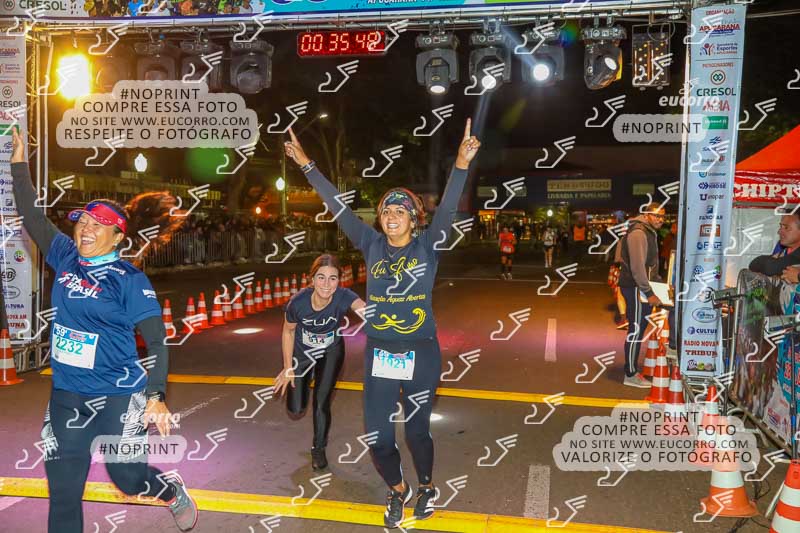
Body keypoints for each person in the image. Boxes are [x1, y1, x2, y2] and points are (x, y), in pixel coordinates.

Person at [284, 119, 480, 528]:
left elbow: (447, 208)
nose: (391, 216)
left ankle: (426, 486)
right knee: (378, 436)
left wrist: (461, 164)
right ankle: (397, 488)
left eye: (399, 211)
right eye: (386, 210)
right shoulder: (370, 244)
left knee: (417, 431)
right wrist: (306, 165)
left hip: (421, 351)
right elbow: (338, 206)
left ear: (414, 219)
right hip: (381, 354)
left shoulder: (428, 245)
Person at [10, 128, 197, 532]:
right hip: (67, 394)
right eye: (83, 220)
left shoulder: (129, 280)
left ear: (117, 237)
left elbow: (157, 341)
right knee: (63, 492)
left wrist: (156, 396)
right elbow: (31, 214)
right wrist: (18, 162)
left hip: (118, 394)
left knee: (127, 478)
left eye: (100, 224)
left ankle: (168, 489)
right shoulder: (64, 255)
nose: (86, 228)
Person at [273, 254, 366, 471]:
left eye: (333, 278)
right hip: (302, 354)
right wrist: (288, 367)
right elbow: (288, 332)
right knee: (296, 409)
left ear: (339, 280)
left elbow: (368, 312)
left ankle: (319, 448)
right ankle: (305, 379)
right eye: (321, 277)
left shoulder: (344, 296)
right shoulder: (298, 303)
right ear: (312, 279)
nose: (326, 284)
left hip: (330, 352)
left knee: (321, 402)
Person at [618, 203, 665, 388]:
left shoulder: (647, 231)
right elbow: (638, 268)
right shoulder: (639, 232)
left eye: (663, 217)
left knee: (639, 328)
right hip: (636, 288)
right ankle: (630, 373)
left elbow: (650, 265)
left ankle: (632, 370)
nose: (660, 220)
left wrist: (658, 285)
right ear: (646, 215)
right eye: (656, 216)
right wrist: (649, 292)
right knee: (636, 330)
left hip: (640, 287)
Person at [750, 214, 800, 279]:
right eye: (780, 227)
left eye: (786, 228)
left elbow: (770, 268)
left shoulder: (795, 257)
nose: (779, 232)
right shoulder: (783, 251)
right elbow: (753, 264)